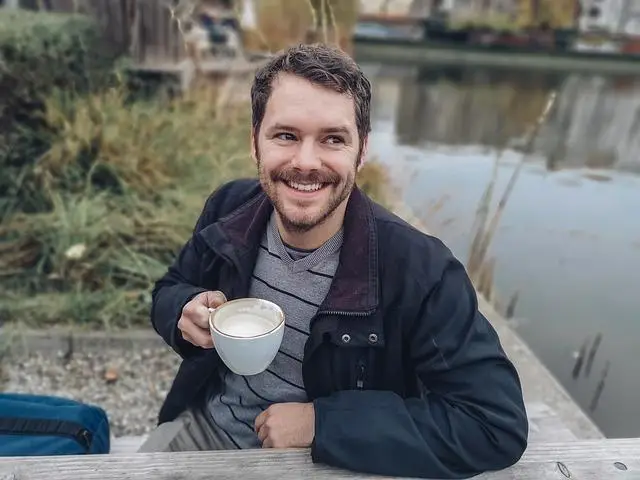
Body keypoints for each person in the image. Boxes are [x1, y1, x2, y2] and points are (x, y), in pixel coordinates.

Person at [142, 43, 529, 479]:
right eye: (285, 135)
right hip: (205, 434)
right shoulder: (228, 208)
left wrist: (324, 422)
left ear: (361, 152)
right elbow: (169, 288)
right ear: (255, 143)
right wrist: (181, 311)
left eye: (332, 139)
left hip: (331, 461)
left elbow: (494, 424)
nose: (306, 163)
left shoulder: (421, 271)